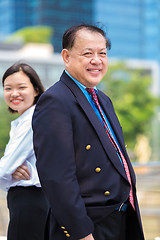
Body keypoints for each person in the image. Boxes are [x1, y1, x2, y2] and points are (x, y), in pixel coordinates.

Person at [32, 24, 145, 240]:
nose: (97, 60)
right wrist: (81, 233)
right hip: (88, 226)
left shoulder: (102, 99)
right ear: (66, 56)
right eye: (87, 53)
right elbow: (57, 178)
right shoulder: (55, 101)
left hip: (119, 220)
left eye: (102, 53)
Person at [0, 63, 49, 240]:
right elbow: (8, 166)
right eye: (8, 88)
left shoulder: (32, 119)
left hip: (29, 201)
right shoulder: (25, 120)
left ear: (36, 90)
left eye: (22, 87)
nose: (14, 93)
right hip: (32, 201)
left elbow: (6, 167)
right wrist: (9, 170)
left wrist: (9, 171)